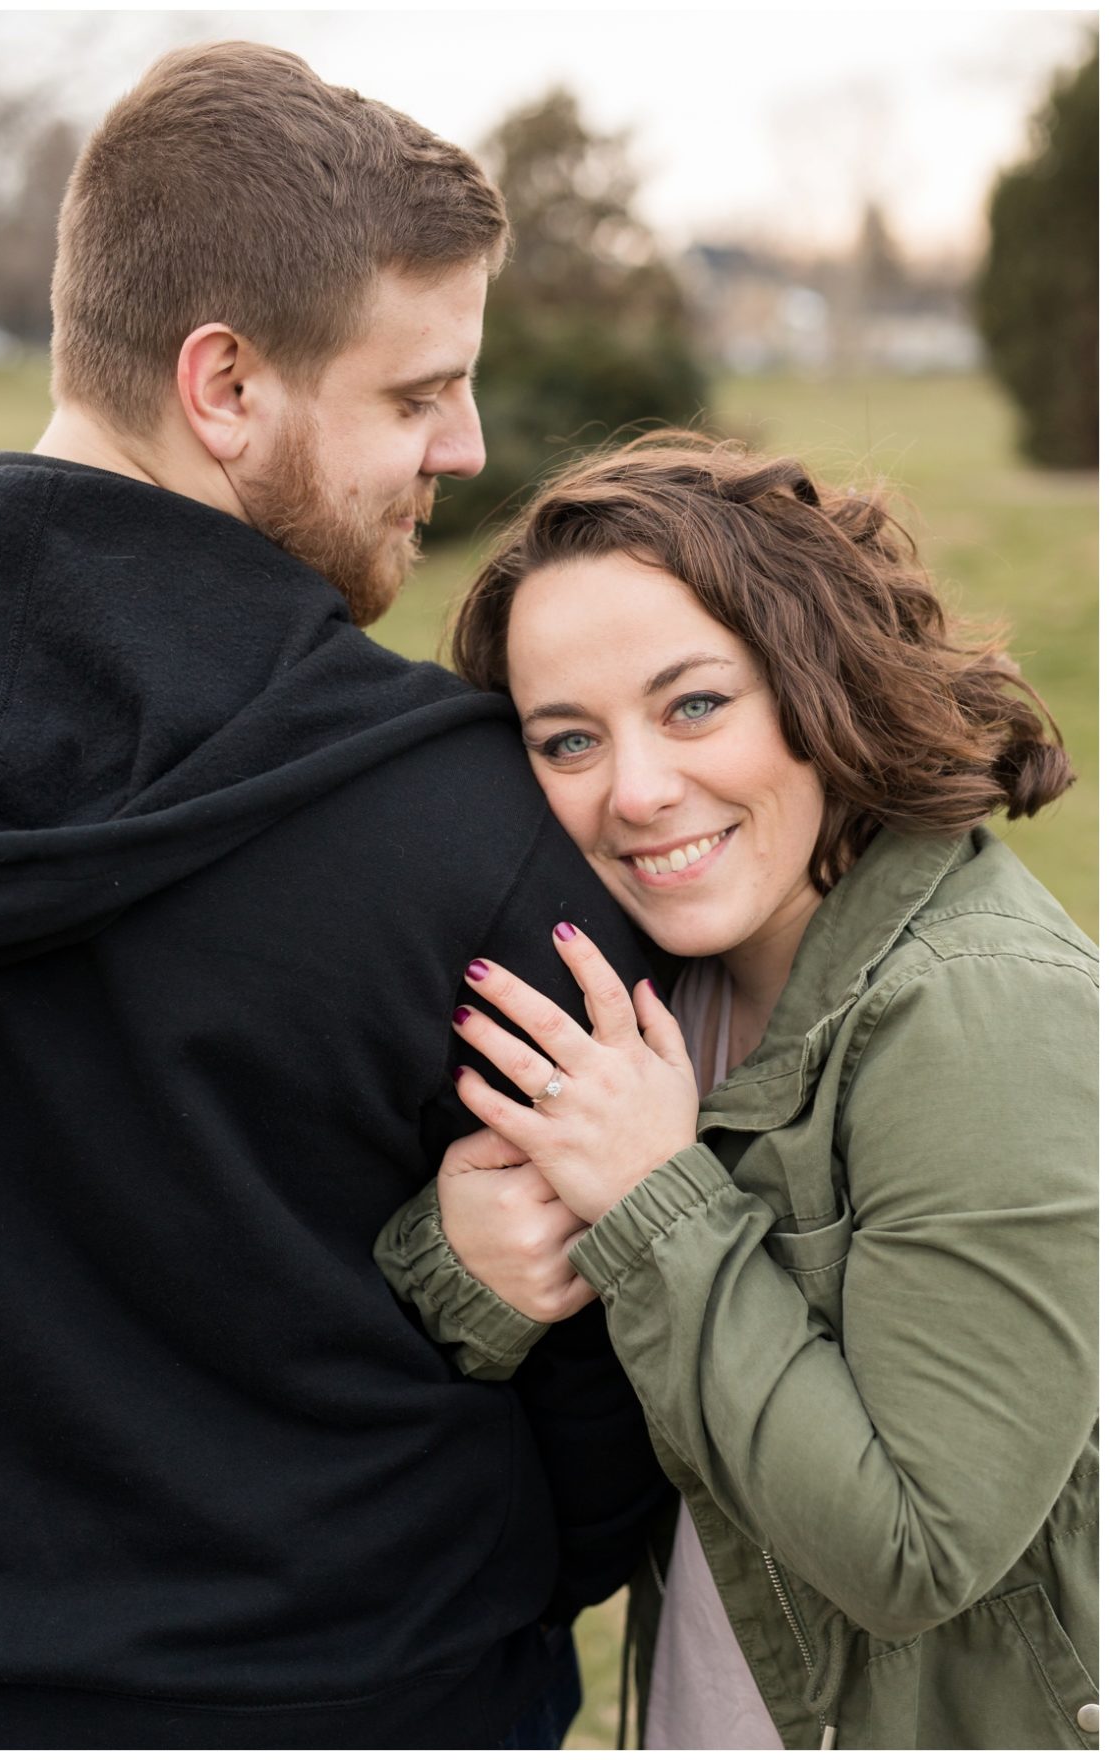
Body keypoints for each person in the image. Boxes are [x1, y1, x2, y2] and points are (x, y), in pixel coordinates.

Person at [0, 43, 669, 1750]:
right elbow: (613, 1396)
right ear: (227, 386)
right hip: (363, 1684)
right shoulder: (472, 832)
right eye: (417, 395)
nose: (467, 449)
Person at [376, 434, 1099, 1750]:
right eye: (567, 738)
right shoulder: (652, 980)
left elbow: (915, 1551)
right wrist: (461, 1263)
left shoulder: (981, 1010)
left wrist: (656, 1204)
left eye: (695, 704)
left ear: (817, 684)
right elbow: (507, 1324)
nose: (639, 793)